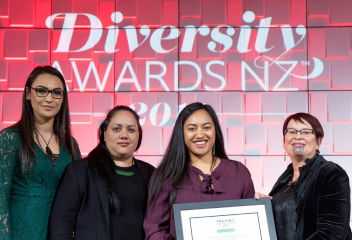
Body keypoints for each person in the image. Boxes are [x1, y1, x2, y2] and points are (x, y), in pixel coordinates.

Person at [144, 102, 255, 239]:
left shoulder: (239, 173)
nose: (200, 134)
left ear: (215, 130)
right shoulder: (167, 175)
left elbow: (251, 226)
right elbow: (154, 230)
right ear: (182, 133)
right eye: (191, 129)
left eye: (206, 127)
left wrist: (261, 205)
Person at [49, 105, 155, 240]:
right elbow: (61, 224)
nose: (124, 135)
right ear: (104, 133)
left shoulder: (151, 174)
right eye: (116, 129)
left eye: (131, 130)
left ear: (139, 135)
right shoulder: (80, 171)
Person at [0, 65, 81, 239]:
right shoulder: (10, 139)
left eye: (56, 92)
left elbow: (78, 199)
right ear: (28, 94)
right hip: (20, 233)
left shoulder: (71, 145)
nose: (49, 98)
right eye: (42, 91)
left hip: (59, 234)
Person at [255, 112, 352, 240]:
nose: (298, 136)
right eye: (292, 131)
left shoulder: (331, 174)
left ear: (318, 142)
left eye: (306, 132)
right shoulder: (285, 179)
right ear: (284, 142)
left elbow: (331, 233)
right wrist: (263, 206)